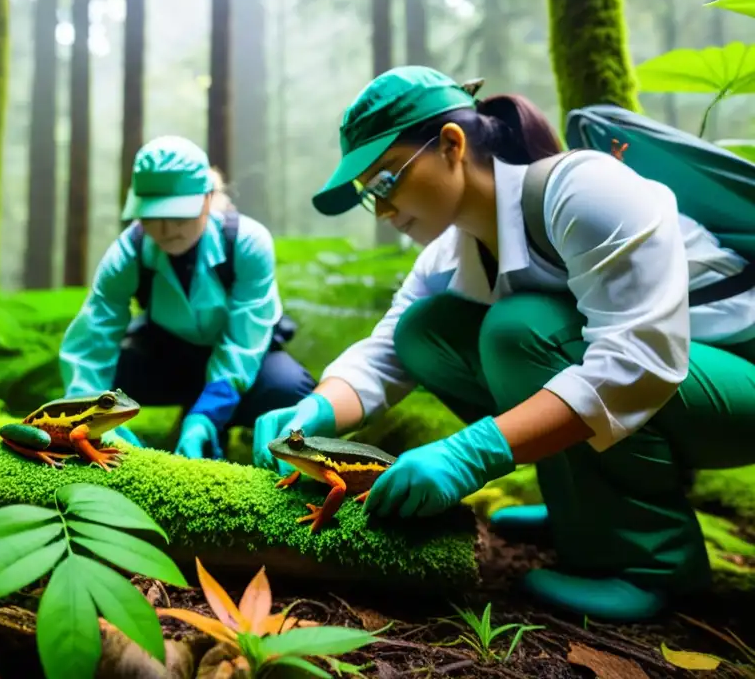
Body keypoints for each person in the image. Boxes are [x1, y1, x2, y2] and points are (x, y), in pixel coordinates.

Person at [253, 65, 755, 621]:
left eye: (387, 180)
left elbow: (640, 360)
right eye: (370, 196)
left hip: (736, 375)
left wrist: (471, 455)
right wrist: (315, 410)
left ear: (451, 144)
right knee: (429, 329)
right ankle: (581, 505)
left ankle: (650, 564)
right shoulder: (449, 253)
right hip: (672, 384)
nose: (386, 211)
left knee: (520, 330)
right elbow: (390, 351)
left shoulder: (585, 188)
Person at [59, 135, 315, 460]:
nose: (166, 230)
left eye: (179, 216)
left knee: (289, 388)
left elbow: (243, 342)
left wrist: (206, 415)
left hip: (243, 360)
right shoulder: (128, 253)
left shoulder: (247, 243)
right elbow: (93, 342)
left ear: (208, 200)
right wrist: (90, 417)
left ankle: (220, 426)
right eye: (152, 217)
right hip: (168, 358)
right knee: (108, 382)